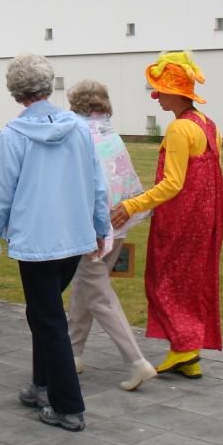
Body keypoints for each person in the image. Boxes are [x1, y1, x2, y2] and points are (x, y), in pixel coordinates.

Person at [0, 54, 111, 433]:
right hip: (73, 237)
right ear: (49, 85)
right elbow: (98, 183)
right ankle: (41, 384)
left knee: (49, 318)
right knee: (43, 313)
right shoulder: (81, 130)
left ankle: (68, 406)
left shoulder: (12, 136)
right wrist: (100, 226)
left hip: (37, 243)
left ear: (14, 91)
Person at [111, 50, 223, 380]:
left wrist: (132, 205)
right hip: (206, 218)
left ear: (174, 93)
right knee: (190, 281)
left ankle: (184, 348)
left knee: (164, 281)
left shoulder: (178, 130)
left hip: (181, 218)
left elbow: (173, 184)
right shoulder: (209, 125)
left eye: (159, 89)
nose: (155, 95)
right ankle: (187, 353)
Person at [65, 80, 156, 391]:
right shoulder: (111, 134)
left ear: (75, 104)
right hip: (118, 225)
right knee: (84, 287)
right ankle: (72, 353)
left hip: (92, 230)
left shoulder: (77, 135)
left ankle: (137, 362)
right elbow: (127, 179)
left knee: (100, 296)